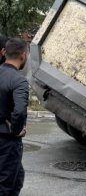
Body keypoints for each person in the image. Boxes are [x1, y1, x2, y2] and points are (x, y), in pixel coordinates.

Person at [0, 38, 29, 196]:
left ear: (5, 53)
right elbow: (19, 111)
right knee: (6, 186)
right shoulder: (19, 81)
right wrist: (16, 130)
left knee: (17, 177)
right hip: (7, 141)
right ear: (23, 55)